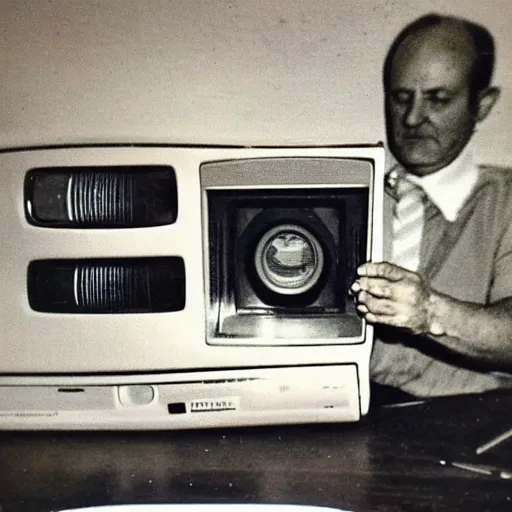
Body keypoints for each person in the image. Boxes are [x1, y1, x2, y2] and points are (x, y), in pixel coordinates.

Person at [351, 13, 512, 397]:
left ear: (482, 106)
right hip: (347, 423)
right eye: (401, 97)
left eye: (438, 99)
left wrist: (429, 313)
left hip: (464, 425)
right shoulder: (349, 193)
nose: (412, 118)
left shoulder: (506, 201)